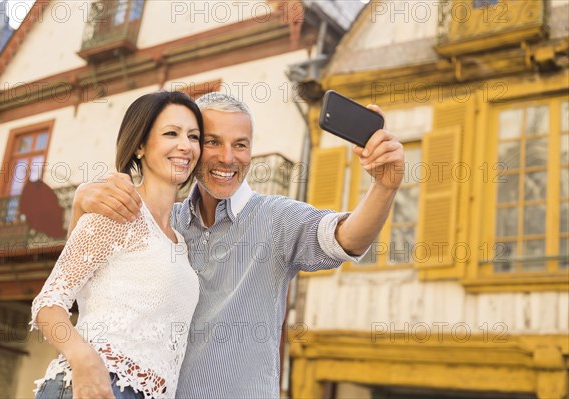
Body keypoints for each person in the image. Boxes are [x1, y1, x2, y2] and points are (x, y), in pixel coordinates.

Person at [71, 92, 405, 398]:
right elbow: (80, 289)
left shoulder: (276, 218)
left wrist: (384, 188)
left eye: (241, 145)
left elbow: (346, 237)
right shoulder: (160, 220)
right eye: (213, 142)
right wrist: (79, 207)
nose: (228, 158)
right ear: (194, 146)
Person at [30, 91, 204, 399]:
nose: (185, 146)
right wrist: (83, 360)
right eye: (171, 133)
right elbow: (48, 305)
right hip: (99, 382)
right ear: (139, 146)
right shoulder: (116, 211)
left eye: (194, 136)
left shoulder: (181, 243)